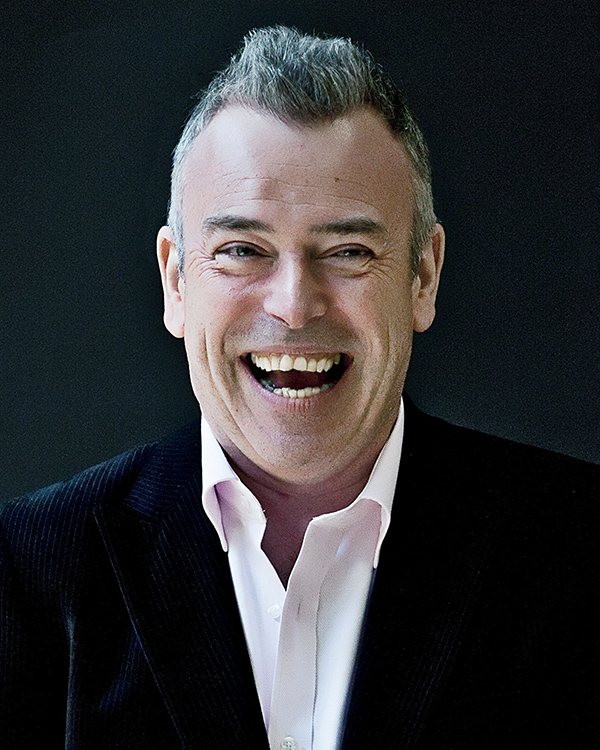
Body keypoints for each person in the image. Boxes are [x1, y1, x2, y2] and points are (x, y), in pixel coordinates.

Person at [0, 26, 597, 750]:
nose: (293, 304)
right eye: (242, 250)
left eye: (347, 251)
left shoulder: (578, 551)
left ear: (424, 276)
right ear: (176, 281)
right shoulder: (26, 572)